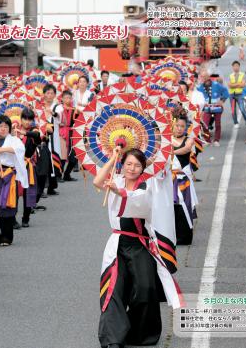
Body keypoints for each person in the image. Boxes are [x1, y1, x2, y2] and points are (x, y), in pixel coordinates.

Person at [94, 147, 182, 348]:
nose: (132, 169)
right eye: (128, 164)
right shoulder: (114, 179)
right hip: (117, 244)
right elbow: (97, 181)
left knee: (145, 288)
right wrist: (113, 159)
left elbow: (141, 204)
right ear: (122, 165)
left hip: (140, 244)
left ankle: (139, 334)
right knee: (113, 290)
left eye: (137, 165)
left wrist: (121, 192)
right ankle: (112, 339)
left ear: (143, 168)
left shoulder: (148, 185)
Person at [0, 115, 28, 246]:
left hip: (8, 175)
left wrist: (2, 149)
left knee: (7, 206)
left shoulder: (14, 140)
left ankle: (7, 237)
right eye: (0, 126)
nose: (3, 129)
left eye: (6, 126)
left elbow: (20, 149)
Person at [172, 116, 198, 245]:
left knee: (185, 206)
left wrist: (170, 151)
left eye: (182, 126)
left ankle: (185, 237)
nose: (179, 128)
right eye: (177, 125)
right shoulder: (166, 139)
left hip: (184, 180)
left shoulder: (189, 140)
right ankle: (172, 235)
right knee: (171, 207)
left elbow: (187, 149)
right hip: (170, 180)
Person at [197, 73, 229, 146]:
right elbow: (198, 97)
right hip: (207, 108)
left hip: (217, 107)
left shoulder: (216, 85)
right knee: (205, 124)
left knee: (218, 124)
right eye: (202, 77)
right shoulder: (200, 87)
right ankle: (207, 140)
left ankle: (216, 140)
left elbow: (225, 91)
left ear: (208, 77)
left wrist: (222, 100)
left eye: (204, 76)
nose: (203, 78)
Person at [42, 84, 60, 194]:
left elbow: (60, 116)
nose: (49, 95)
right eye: (47, 93)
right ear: (44, 94)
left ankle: (52, 186)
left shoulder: (57, 106)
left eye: (52, 93)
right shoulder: (40, 106)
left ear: (54, 95)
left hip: (53, 137)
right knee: (43, 161)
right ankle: (43, 187)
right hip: (43, 137)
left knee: (53, 160)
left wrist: (52, 112)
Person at [227, 61, 246, 128]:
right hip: (232, 95)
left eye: (237, 66)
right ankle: (235, 123)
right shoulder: (230, 75)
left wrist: (234, 85)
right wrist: (238, 84)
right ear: (232, 67)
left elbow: (243, 84)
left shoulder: (243, 74)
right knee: (233, 110)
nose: (236, 67)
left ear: (239, 66)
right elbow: (229, 85)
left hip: (240, 94)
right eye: (234, 66)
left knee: (242, 108)